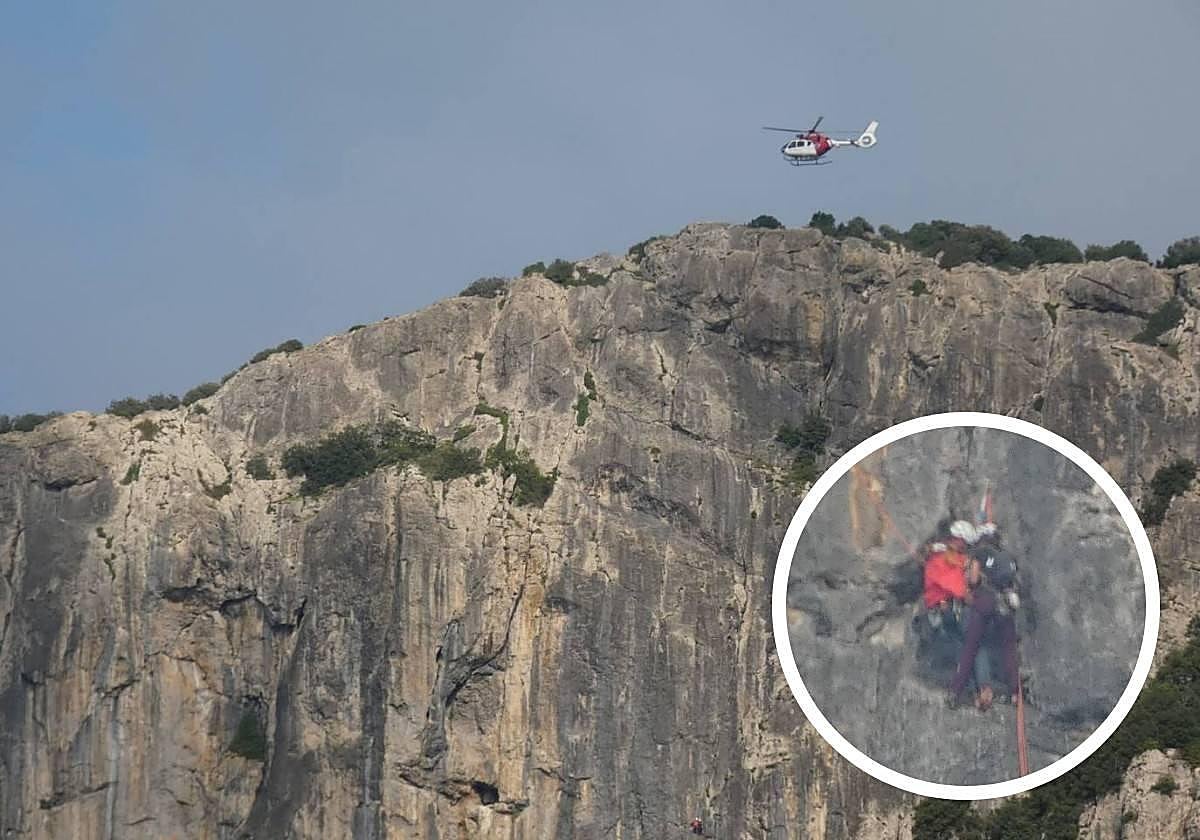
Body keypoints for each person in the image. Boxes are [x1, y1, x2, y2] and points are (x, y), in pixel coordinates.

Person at [947, 541, 1020, 711]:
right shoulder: (1007, 558)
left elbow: (973, 578)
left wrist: (970, 588)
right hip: (1006, 604)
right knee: (1009, 649)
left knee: (971, 647)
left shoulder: (980, 553)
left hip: (985, 601)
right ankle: (1015, 691)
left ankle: (955, 691)